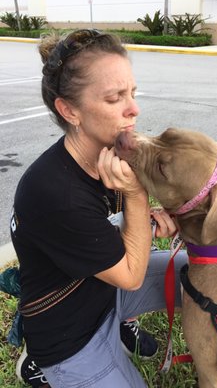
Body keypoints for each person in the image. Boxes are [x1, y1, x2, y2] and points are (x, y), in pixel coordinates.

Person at [10, 29, 187, 388]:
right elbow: (131, 276)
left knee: (196, 271)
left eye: (132, 93)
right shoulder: (54, 193)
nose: (133, 108)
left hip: (105, 290)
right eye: (114, 98)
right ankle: (41, 366)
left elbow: (121, 230)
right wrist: (137, 195)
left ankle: (125, 326)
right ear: (70, 110)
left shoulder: (111, 150)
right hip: (69, 332)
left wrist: (162, 219)